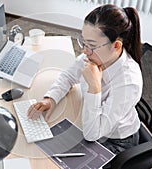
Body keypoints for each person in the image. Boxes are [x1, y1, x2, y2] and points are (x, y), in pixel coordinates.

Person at [27, 4, 143, 155]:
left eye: (92, 45)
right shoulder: (93, 55)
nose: (85, 51)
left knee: (56, 157)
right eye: (84, 42)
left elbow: (92, 135)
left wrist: (94, 88)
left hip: (116, 141)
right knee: (45, 142)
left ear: (116, 45)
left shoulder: (128, 82)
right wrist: (51, 99)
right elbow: (68, 76)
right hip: (92, 123)